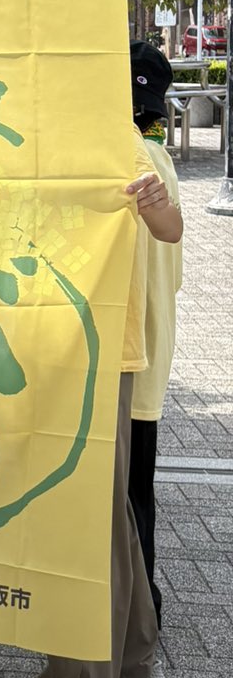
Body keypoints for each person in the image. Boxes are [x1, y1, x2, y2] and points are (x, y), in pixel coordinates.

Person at [0, 98, 183, 678]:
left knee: (80, 519)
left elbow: (169, 227)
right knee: (106, 511)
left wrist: (155, 204)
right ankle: (133, 664)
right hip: (80, 347)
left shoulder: (106, 134)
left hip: (87, 353)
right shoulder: (61, 124)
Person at [125, 38, 182, 624]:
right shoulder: (160, 163)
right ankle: (146, 610)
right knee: (138, 493)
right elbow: (178, 275)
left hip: (120, 361)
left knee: (115, 500)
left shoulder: (122, 165)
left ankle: (134, 617)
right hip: (153, 353)